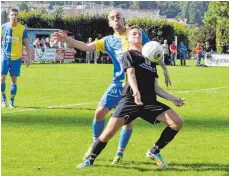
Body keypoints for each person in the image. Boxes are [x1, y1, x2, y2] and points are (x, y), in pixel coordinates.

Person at [51, 9, 171, 164]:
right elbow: (87, 47)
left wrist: (164, 68)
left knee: (127, 122)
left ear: (123, 19)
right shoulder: (107, 40)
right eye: (113, 18)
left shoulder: (135, 34)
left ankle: (120, 153)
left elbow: (153, 51)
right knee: (99, 113)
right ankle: (95, 144)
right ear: (109, 23)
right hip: (116, 84)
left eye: (119, 17)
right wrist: (67, 40)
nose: (116, 20)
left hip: (133, 84)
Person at [77, 26, 185, 169]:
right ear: (127, 38)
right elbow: (131, 75)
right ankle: (89, 160)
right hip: (130, 100)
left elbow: (156, 88)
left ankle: (154, 151)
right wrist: (135, 92)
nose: (137, 36)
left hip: (148, 102)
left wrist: (172, 98)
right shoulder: (129, 55)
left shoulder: (150, 59)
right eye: (133, 34)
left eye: (139, 34)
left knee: (177, 122)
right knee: (108, 133)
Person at [1, 8, 32, 108]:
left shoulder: (22, 29)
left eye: (15, 15)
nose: (14, 16)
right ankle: (3, 99)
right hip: (5, 58)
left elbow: (27, 44)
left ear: (17, 16)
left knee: (14, 80)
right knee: (2, 78)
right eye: (12, 14)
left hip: (16, 59)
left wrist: (28, 58)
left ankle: (11, 102)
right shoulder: (3, 27)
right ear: (9, 16)